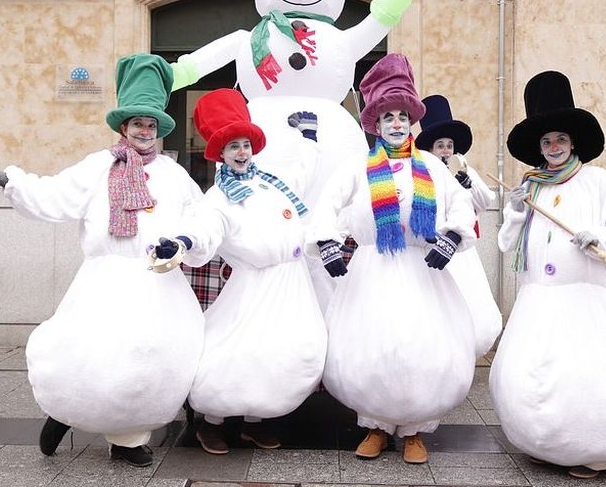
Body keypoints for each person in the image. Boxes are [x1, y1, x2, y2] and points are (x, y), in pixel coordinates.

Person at [0, 53, 205, 467]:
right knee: (88, 355)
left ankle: (128, 439)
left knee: (144, 362)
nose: (145, 131)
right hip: (105, 280)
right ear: (124, 128)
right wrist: (8, 179)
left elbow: (200, 219)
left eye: (151, 124)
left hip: (158, 284)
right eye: (137, 124)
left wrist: (185, 243)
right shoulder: (99, 166)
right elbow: (54, 195)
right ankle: (64, 413)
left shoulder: (173, 174)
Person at [490, 70, 606, 479]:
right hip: (539, 299)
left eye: (559, 139)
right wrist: (517, 210)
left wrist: (601, 238)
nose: (553, 147)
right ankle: (544, 444)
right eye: (546, 141)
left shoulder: (598, 181)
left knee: (585, 378)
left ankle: (595, 448)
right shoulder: (531, 186)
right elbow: (507, 244)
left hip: (587, 299)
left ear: (573, 142)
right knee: (533, 376)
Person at [305, 54, 477, 464]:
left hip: (422, 270)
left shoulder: (432, 166)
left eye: (402, 116)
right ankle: (377, 425)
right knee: (372, 346)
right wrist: (327, 243)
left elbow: (461, 203)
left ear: (411, 122)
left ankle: (415, 429)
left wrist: (451, 237)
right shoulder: (358, 168)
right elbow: (326, 205)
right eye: (388, 117)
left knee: (421, 346)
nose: (397, 124)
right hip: (372, 270)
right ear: (376, 125)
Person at [153, 88, 327, 455]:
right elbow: (206, 227)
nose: (242, 152)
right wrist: (183, 241)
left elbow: (303, 174)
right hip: (254, 285)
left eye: (245, 144)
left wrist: (309, 138)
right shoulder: (219, 197)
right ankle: (211, 422)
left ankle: (254, 423)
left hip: (292, 283)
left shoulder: (271, 182)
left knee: (283, 350)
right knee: (238, 351)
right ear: (221, 155)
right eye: (233, 147)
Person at [415, 94, 502, 358]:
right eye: (439, 145)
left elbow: (486, 201)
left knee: (468, 298)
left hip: (461, 248)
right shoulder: (423, 172)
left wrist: (468, 185)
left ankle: (465, 348)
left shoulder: (463, 171)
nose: (445, 150)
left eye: (448, 145)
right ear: (430, 148)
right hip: (435, 244)